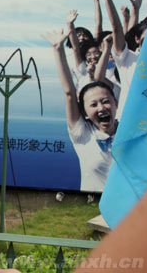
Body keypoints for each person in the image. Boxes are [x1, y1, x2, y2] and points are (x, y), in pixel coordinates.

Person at [42, 29, 117, 192]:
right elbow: (69, 92)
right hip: (92, 204)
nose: (101, 108)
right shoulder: (82, 134)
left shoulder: (129, 130)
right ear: (84, 111)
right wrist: (58, 49)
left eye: (105, 101)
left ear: (116, 103)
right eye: (93, 105)